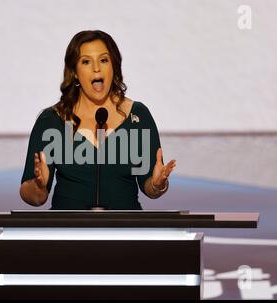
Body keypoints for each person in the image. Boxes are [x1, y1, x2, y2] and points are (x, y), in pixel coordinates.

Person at [20, 30, 176, 210]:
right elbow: (33, 196)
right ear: (75, 72)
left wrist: (157, 184)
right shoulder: (52, 120)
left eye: (103, 60)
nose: (96, 68)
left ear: (113, 67)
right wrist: (38, 186)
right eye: (86, 61)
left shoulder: (138, 116)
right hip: (68, 232)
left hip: (125, 231)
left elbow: (150, 188)